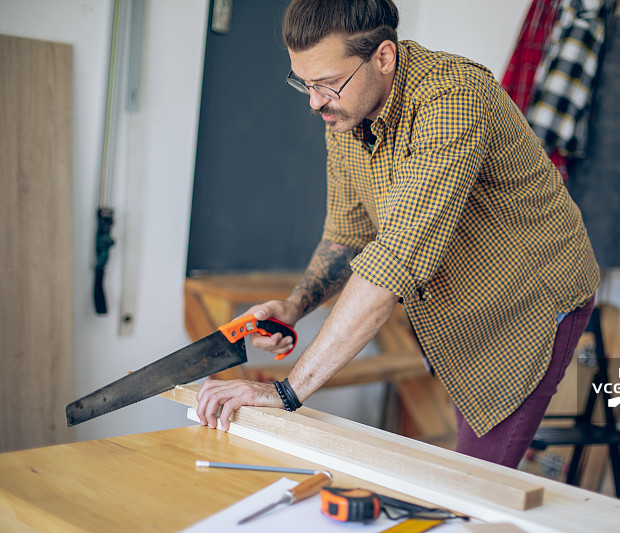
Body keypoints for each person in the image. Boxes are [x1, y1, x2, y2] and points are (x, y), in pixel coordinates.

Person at [196, 0, 599, 469]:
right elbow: (348, 236)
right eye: (304, 84)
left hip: (530, 301)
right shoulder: (347, 111)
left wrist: (286, 391)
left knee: (477, 482)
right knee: (462, 467)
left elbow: (394, 263)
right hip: (461, 304)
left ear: (383, 57)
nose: (314, 102)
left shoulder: (453, 99)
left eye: (327, 84)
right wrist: (295, 305)